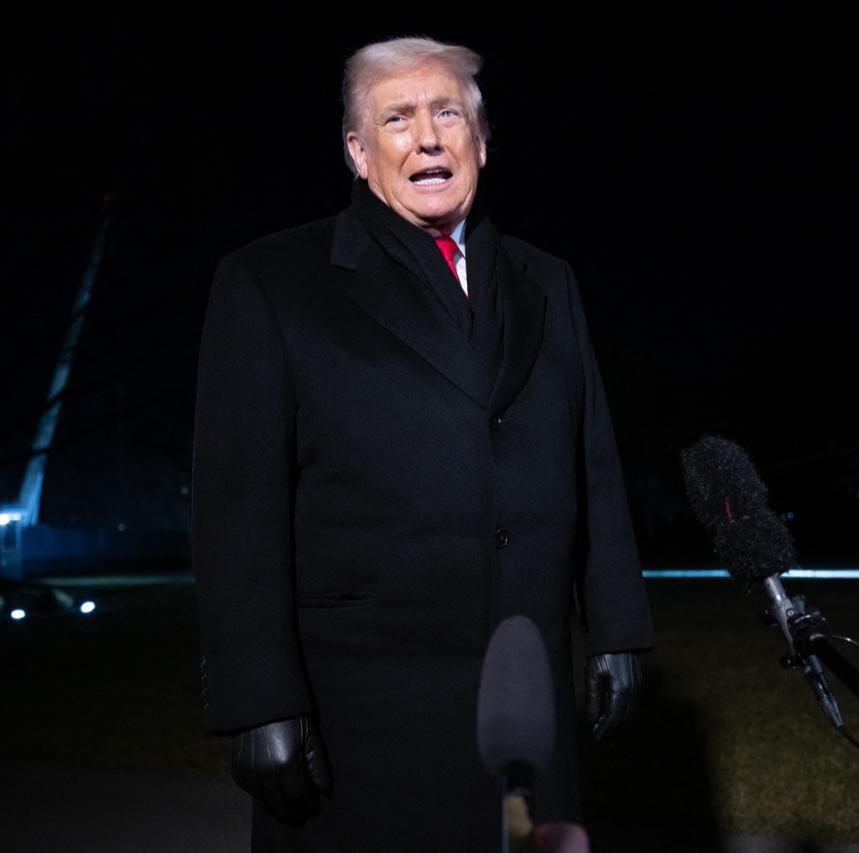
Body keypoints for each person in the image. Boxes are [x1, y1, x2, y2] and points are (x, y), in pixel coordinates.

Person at [192, 35, 654, 851]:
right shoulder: (271, 282)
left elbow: (594, 461)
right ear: (358, 151)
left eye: (448, 113)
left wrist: (617, 621)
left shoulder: (548, 280)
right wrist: (257, 698)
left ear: (481, 140)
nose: (427, 137)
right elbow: (239, 508)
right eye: (397, 118)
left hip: (524, 689)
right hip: (362, 708)